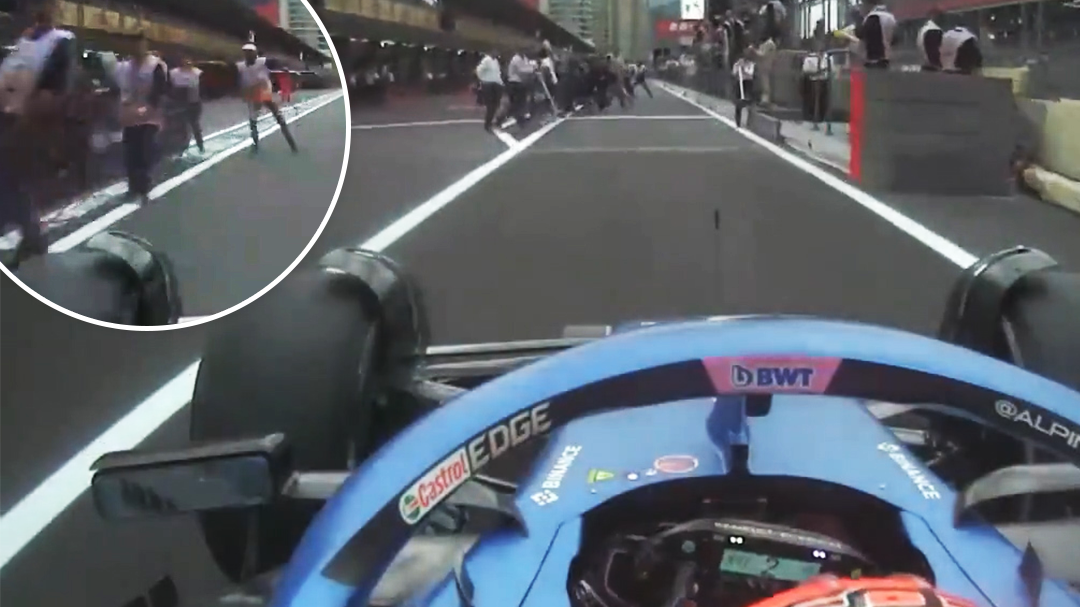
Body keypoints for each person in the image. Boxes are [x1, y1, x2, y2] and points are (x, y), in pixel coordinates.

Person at [0, 3, 74, 266]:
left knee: (11, 179)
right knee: (10, 181)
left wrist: (32, 118)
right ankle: (32, 236)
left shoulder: (61, 41)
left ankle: (32, 236)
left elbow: (56, 88)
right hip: (8, 116)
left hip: (27, 122)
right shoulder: (24, 40)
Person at [116, 33, 167, 206]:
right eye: (133, 44)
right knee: (130, 151)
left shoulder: (155, 65)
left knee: (145, 148)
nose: (136, 48)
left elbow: (159, 90)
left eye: (140, 44)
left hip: (149, 116)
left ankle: (144, 184)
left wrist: (148, 108)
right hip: (130, 116)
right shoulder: (123, 67)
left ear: (145, 45)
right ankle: (133, 186)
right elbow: (119, 90)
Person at [237, 42, 298, 153]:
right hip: (252, 94)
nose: (248, 55)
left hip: (265, 93)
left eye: (250, 53)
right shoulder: (240, 66)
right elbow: (236, 78)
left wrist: (283, 68)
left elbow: (276, 62)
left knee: (279, 117)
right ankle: (255, 144)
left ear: (255, 54)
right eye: (246, 53)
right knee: (253, 121)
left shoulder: (262, 62)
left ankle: (291, 143)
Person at [169, 56, 204, 155]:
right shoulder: (174, 73)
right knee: (182, 127)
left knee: (194, 125)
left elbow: (202, 88)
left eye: (189, 60)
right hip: (179, 103)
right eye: (184, 60)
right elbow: (170, 87)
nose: (187, 62)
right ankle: (182, 148)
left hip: (194, 102)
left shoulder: (197, 73)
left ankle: (200, 145)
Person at [854, 0, 897, 69]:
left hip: (872, 59)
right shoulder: (890, 17)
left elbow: (863, 39)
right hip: (885, 58)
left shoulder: (868, 18)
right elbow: (894, 38)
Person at [800, 47, 832, 123]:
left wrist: (823, 71)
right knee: (812, 99)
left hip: (824, 81)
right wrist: (816, 71)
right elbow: (805, 70)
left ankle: (821, 117)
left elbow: (831, 69)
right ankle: (811, 117)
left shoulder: (828, 57)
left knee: (823, 100)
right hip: (812, 81)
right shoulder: (810, 58)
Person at [474, 51, 503, 132]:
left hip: (496, 84)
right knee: (490, 105)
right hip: (488, 84)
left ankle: (492, 121)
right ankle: (488, 124)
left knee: (496, 104)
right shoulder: (486, 60)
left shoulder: (495, 61)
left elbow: (497, 73)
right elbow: (478, 70)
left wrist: (501, 83)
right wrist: (482, 79)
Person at [732, 49, 756, 128]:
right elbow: (734, 72)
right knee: (738, 103)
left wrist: (743, 69)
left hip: (748, 83)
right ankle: (738, 121)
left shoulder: (751, 64)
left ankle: (750, 122)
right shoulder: (739, 63)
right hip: (740, 83)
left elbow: (750, 72)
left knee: (749, 102)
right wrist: (737, 67)